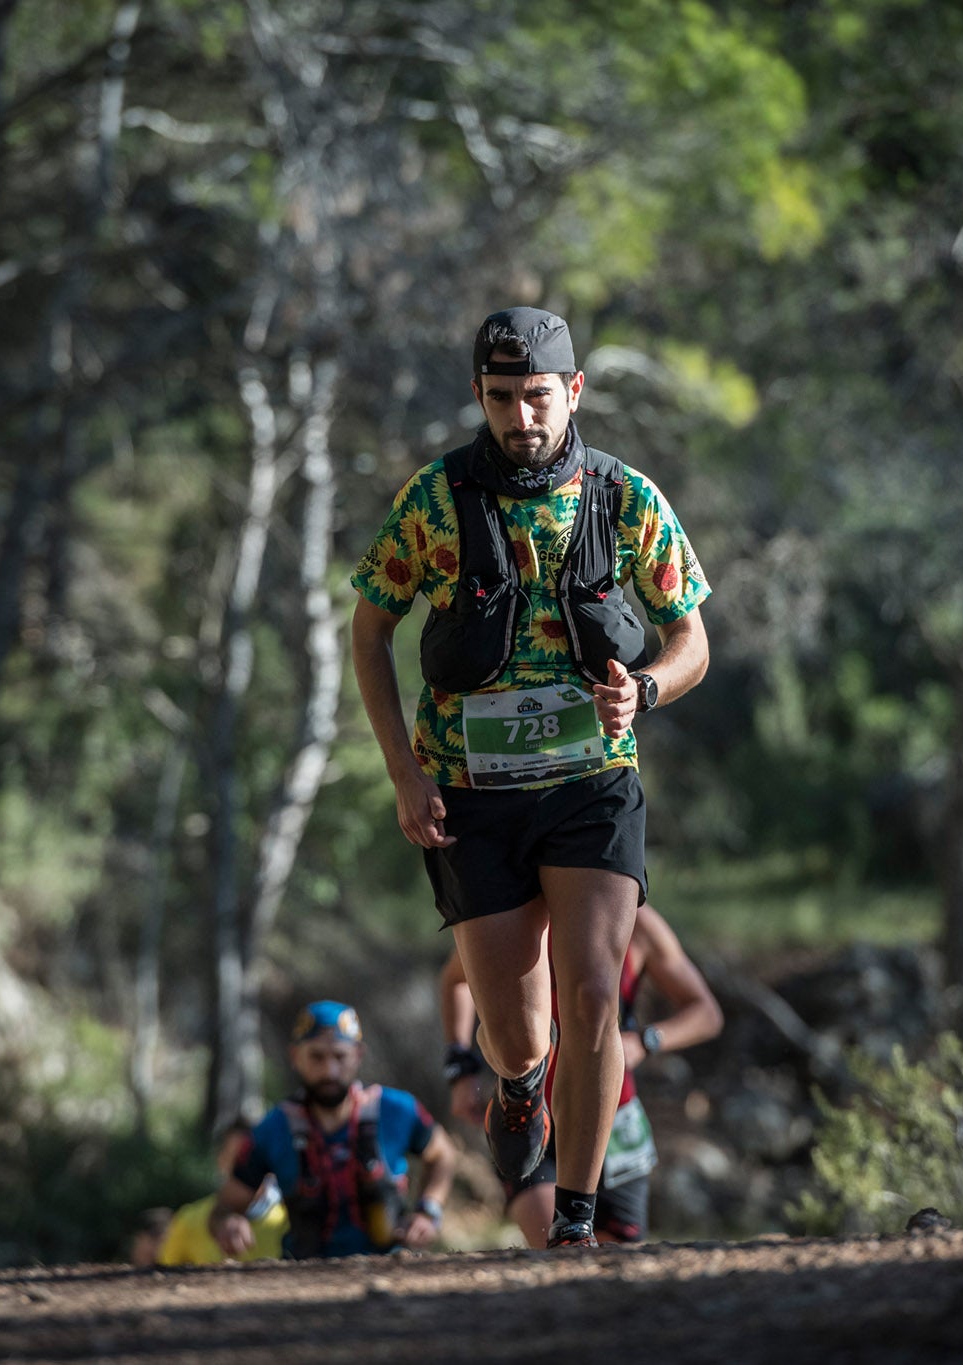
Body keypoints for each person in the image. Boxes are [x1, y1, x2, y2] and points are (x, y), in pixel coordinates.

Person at [351, 306, 711, 1247]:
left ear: (574, 391)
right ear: (480, 394)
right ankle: (519, 1087)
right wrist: (403, 773)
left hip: (594, 780)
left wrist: (645, 688)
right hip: (471, 792)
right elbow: (370, 627)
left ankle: (577, 1216)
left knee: (594, 988)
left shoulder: (625, 496)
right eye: (503, 397)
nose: (522, 416)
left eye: (539, 396)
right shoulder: (434, 501)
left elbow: (691, 639)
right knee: (520, 1036)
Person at [440, 903, 723, 1245]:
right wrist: (461, 1072)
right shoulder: (517, 918)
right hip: (533, 1118)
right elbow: (455, 980)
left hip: (613, 1117)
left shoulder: (638, 922)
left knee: (619, 1270)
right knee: (558, 1251)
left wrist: (646, 1040)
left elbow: (707, 1013)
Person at [210, 1000, 456, 1259]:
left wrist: (428, 1211)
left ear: (358, 1055)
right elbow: (226, 1207)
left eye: (340, 1056)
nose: (329, 1070)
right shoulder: (272, 1129)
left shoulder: (397, 1110)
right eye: (316, 1056)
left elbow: (443, 1154)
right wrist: (228, 1223)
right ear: (295, 1056)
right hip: (303, 1277)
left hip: (393, 1267)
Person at [155, 1119, 288, 1266]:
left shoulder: (289, 1220)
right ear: (220, 1160)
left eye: (253, 1158)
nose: (246, 1167)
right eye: (236, 1158)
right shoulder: (188, 1220)